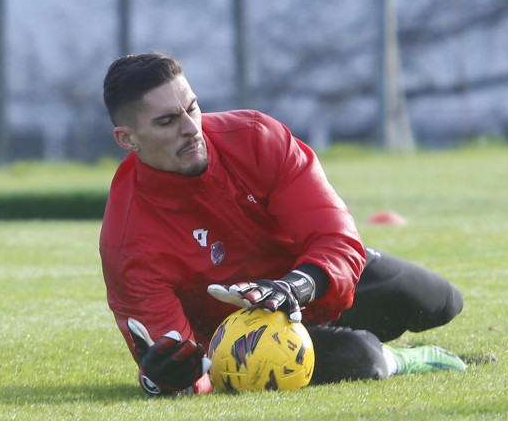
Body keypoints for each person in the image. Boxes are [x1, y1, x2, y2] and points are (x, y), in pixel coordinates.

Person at [99, 52, 466, 396]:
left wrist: (297, 286)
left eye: (192, 108)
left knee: (443, 301)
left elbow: (336, 238)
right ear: (127, 139)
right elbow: (175, 361)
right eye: (167, 121)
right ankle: (403, 359)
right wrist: (172, 378)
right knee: (361, 358)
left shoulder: (256, 137)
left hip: (309, 286)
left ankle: (347, 332)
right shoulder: (127, 240)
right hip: (244, 338)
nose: (191, 128)